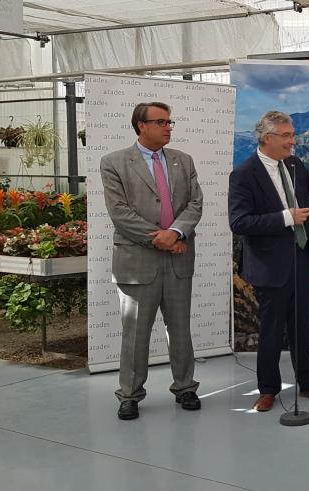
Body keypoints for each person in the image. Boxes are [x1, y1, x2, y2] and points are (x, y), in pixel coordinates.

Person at [228, 111, 309, 412]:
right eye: (287, 136)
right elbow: (239, 222)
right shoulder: (244, 174)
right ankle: (268, 389)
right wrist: (285, 218)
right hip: (269, 265)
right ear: (267, 137)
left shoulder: (294, 165)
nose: (293, 142)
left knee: (301, 328)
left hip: (301, 260)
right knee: (270, 331)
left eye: (292, 135)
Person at [101, 102, 203, 421]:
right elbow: (119, 213)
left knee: (180, 329)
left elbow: (195, 204)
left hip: (177, 259)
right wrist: (159, 238)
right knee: (135, 333)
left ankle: (185, 387)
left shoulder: (182, 161)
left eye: (170, 121)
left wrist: (175, 233)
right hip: (137, 261)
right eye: (161, 122)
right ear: (141, 125)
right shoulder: (114, 162)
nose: (168, 127)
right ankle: (129, 395)